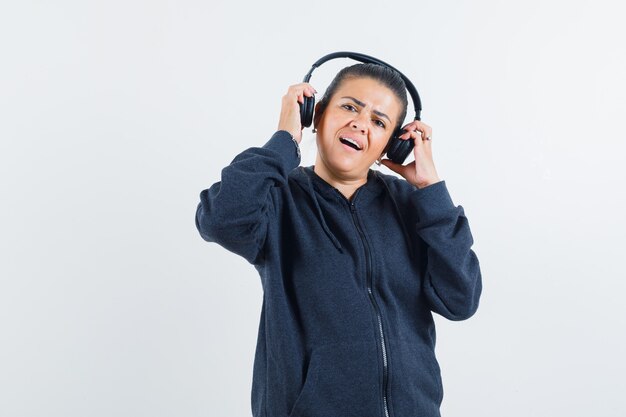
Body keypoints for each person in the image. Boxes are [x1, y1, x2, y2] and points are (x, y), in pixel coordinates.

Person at [195, 62, 482, 417]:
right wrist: (284, 140)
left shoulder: (413, 206)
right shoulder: (279, 199)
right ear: (315, 113)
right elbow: (221, 218)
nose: (361, 123)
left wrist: (431, 190)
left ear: (393, 146)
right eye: (349, 107)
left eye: (379, 122)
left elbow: (460, 299)